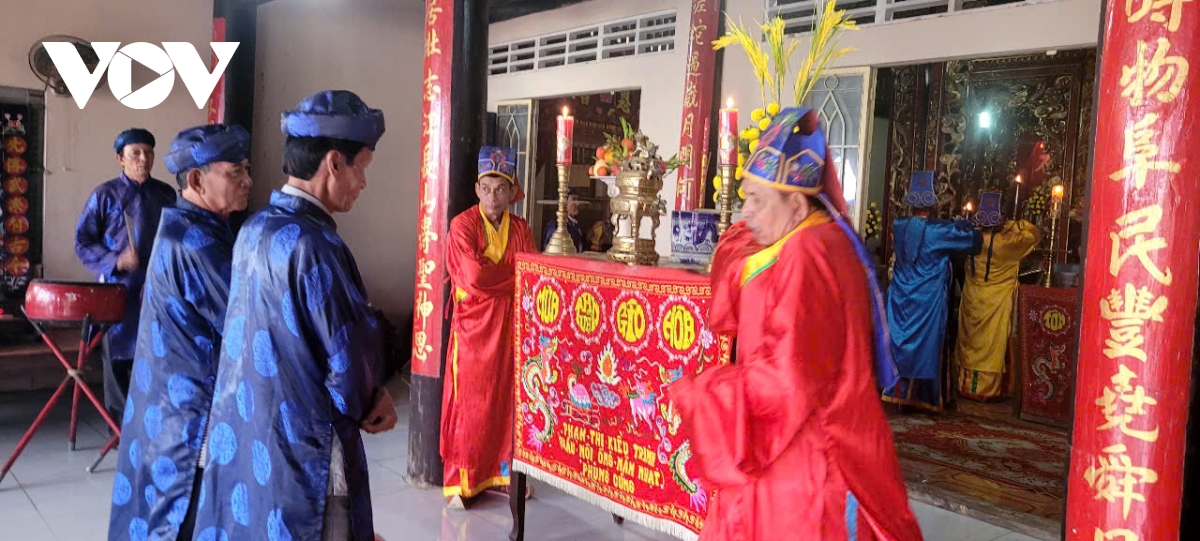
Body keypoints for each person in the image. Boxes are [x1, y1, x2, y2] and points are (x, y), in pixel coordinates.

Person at [667, 108, 923, 541]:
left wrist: (704, 394)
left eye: (757, 200)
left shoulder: (808, 252)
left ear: (798, 204)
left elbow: (788, 377)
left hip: (808, 455)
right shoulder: (822, 237)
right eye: (745, 197)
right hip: (819, 438)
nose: (745, 214)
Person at [193, 90, 397, 541]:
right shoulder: (317, 245)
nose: (363, 183)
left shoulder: (253, 228)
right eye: (362, 168)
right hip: (305, 443)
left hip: (251, 425)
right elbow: (347, 359)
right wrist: (371, 400)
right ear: (334, 163)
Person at [107, 123, 253, 541]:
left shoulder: (189, 224)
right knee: (184, 515)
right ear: (196, 181)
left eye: (246, 169)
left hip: (169, 406)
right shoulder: (196, 242)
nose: (248, 181)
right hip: (189, 415)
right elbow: (246, 324)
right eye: (235, 172)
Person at [441, 146, 535, 507]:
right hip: (473, 332)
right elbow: (474, 277)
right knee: (471, 403)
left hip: (510, 328)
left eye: (501, 189)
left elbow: (533, 274)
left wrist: (506, 277)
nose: (493, 197)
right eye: (487, 188)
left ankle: (504, 475)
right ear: (477, 190)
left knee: (505, 403)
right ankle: (463, 481)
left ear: (512, 192)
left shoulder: (521, 228)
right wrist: (513, 277)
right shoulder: (462, 225)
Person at [75, 128, 176, 425]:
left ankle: (151, 425)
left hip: (156, 287)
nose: (143, 158)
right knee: (118, 358)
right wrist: (116, 260)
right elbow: (83, 241)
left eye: (148, 152)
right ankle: (120, 430)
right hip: (118, 289)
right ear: (120, 158)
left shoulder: (166, 195)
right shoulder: (105, 195)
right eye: (135, 153)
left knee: (156, 355)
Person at [882, 171, 981, 411]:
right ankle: (924, 397)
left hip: (901, 297)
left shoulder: (899, 225)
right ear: (934, 201)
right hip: (927, 300)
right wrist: (967, 225)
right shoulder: (939, 231)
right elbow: (974, 242)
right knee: (927, 346)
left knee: (900, 343)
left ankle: (896, 393)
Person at [956, 191, 1041, 401]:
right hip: (995, 302)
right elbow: (1033, 234)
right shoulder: (1006, 243)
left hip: (972, 299)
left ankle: (965, 384)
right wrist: (1014, 223)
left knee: (970, 343)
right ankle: (985, 389)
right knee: (990, 346)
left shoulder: (970, 239)